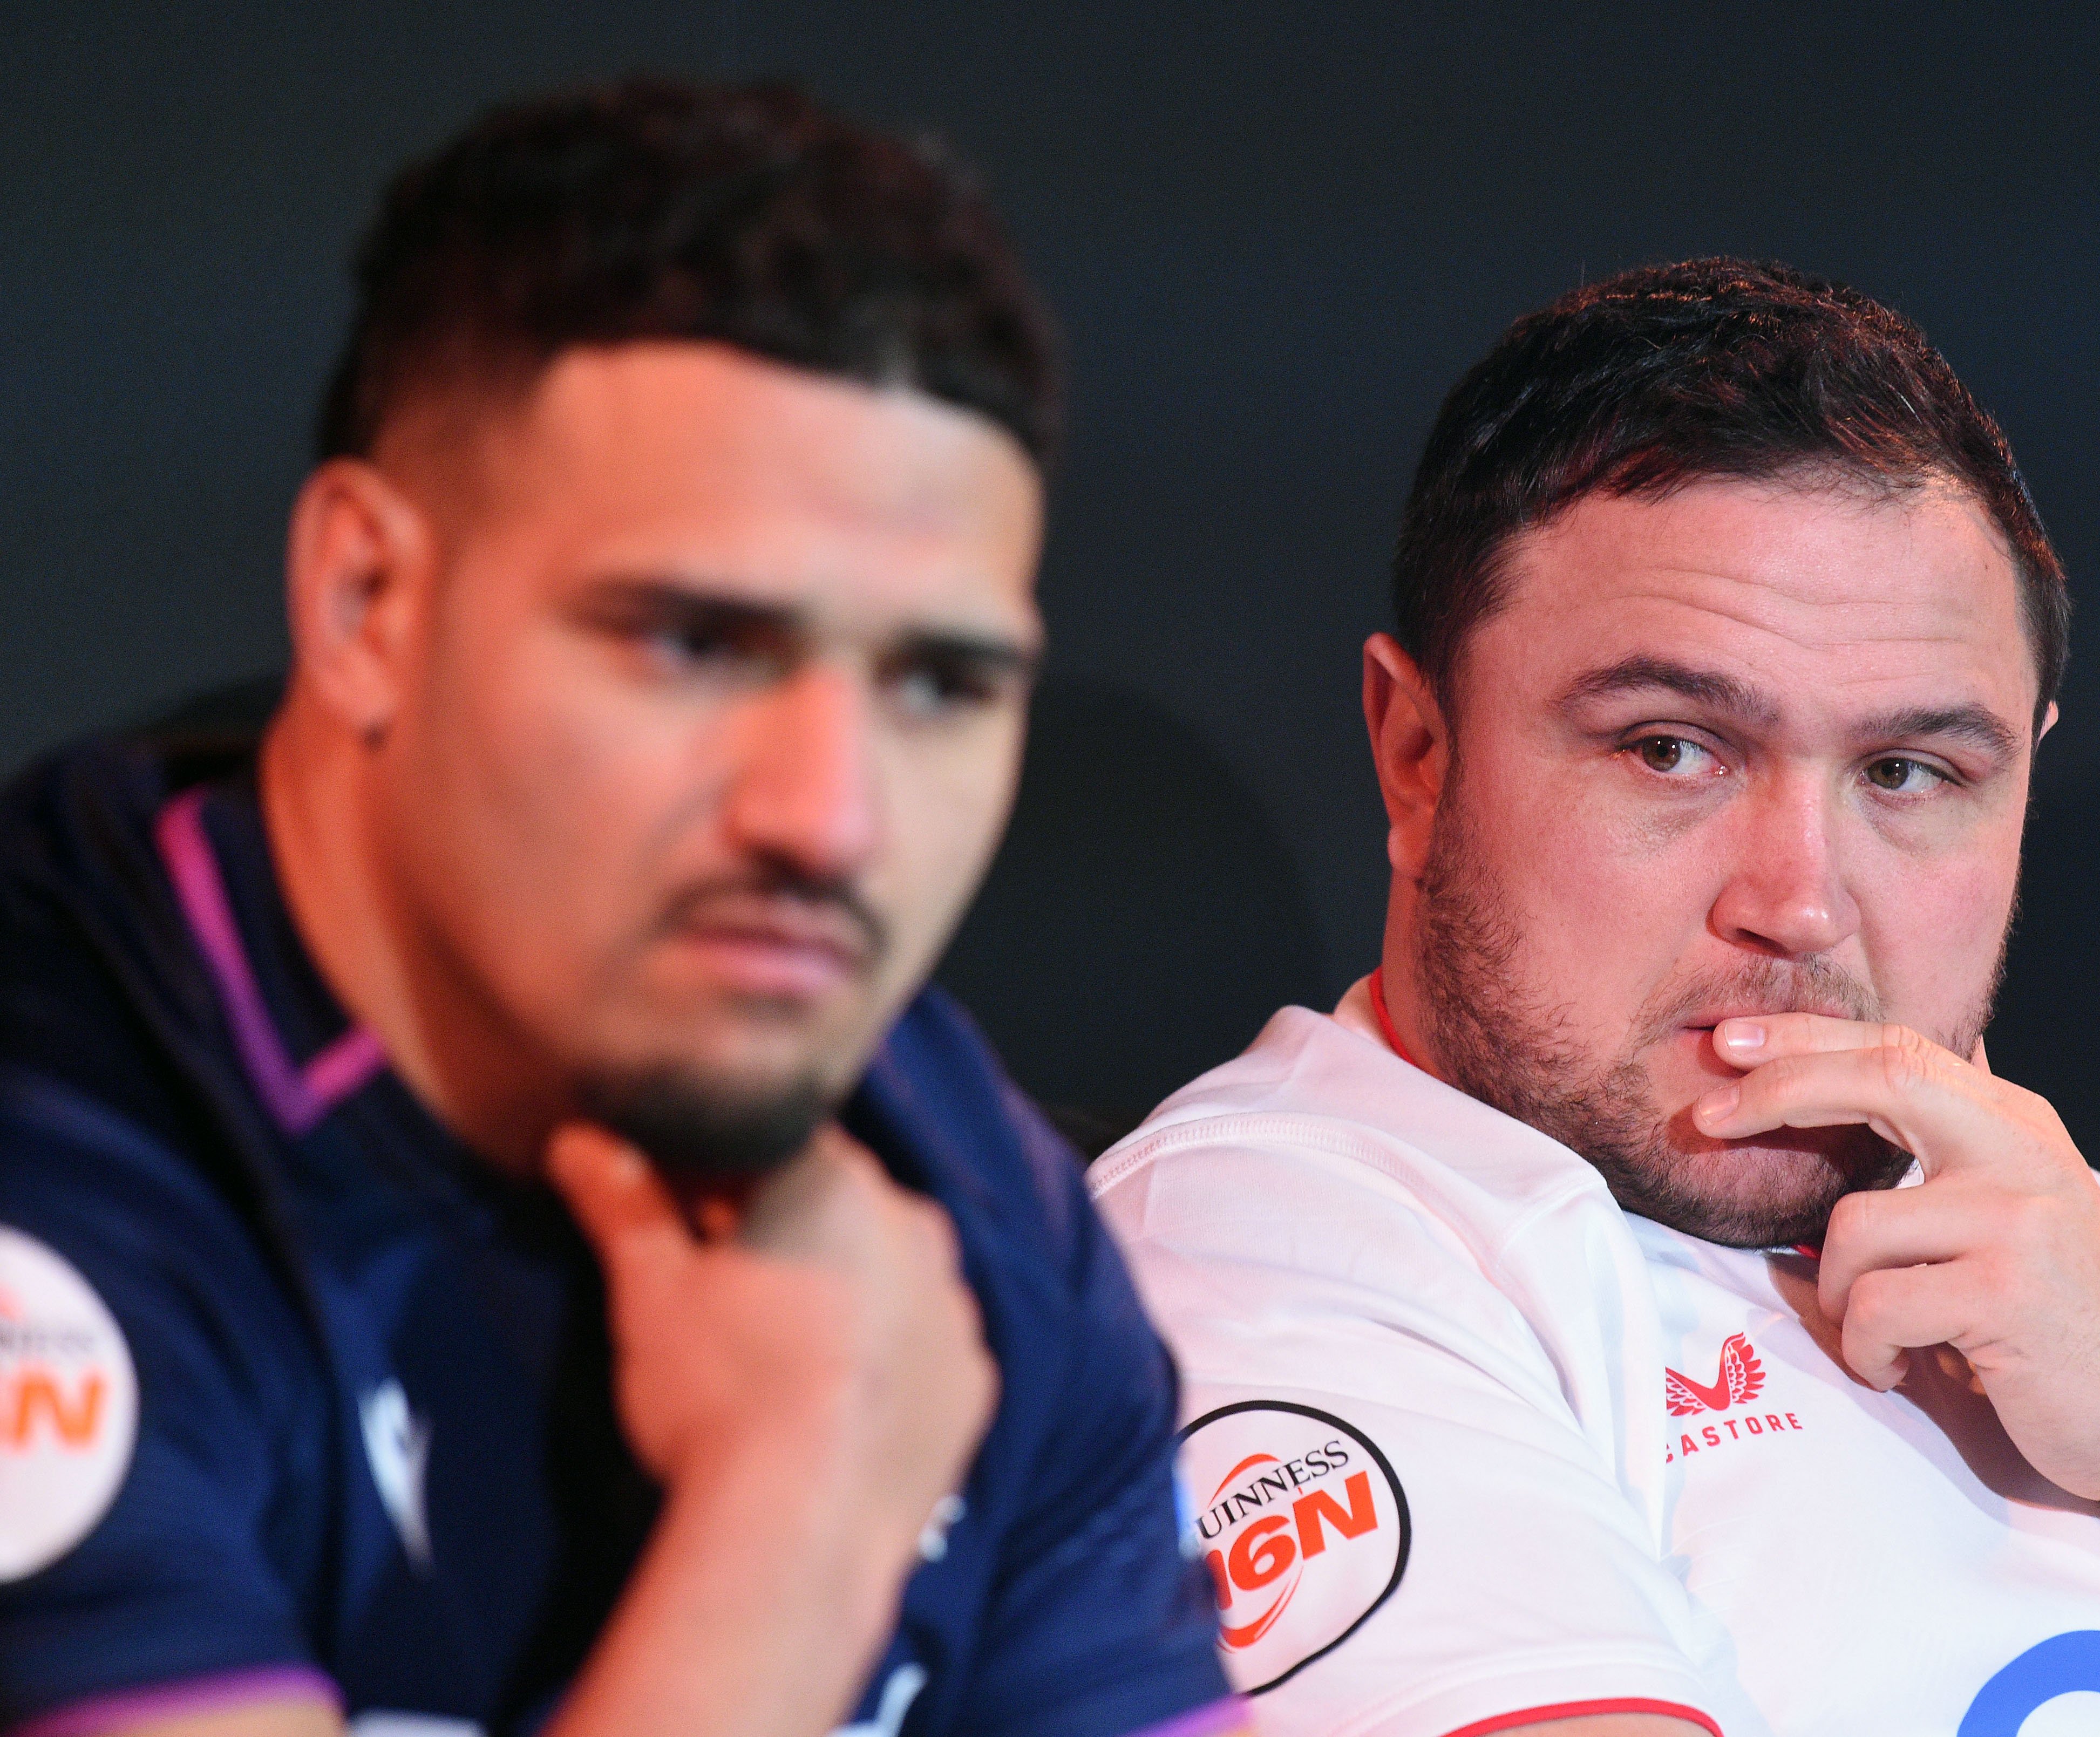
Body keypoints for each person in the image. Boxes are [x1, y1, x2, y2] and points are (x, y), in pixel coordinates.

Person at [1091, 260, 2100, 1737]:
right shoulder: (1262, 1244)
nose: (1797, 900)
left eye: (1910, 774)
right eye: (1670, 748)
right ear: (1417, 753)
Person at [0, 79, 1239, 1737]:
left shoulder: (973, 1210)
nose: (829, 815)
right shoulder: (60, 1145)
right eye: (693, 644)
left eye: (942, 684)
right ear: (368, 600)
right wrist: (798, 1514)